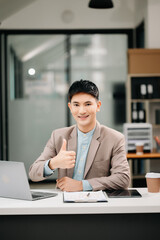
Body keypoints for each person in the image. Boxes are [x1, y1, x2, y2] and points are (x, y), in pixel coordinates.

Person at [29, 79, 130, 191]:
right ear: (70, 107)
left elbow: (123, 178)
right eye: (76, 105)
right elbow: (33, 174)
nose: (81, 111)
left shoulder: (115, 138)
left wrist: (82, 185)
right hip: (63, 203)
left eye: (87, 104)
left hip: (96, 203)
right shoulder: (58, 136)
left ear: (98, 106)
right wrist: (54, 163)